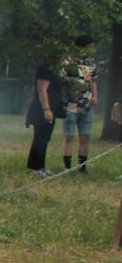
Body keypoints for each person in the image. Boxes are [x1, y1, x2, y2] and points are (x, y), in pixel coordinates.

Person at [59, 34, 98, 173]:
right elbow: (61, 81)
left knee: (85, 136)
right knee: (69, 135)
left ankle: (82, 166)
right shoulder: (68, 61)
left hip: (86, 104)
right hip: (71, 103)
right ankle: (67, 166)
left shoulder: (91, 62)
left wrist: (95, 95)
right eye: (90, 46)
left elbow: (93, 79)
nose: (92, 49)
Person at [26, 53, 64, 176]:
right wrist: (46, 109)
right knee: (40, 138)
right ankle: (35, 167)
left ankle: (41, 166)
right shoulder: (46, 69)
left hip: (52, 107)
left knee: (45, 138)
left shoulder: (56, 70)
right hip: (42, 109)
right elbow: (42, 89)